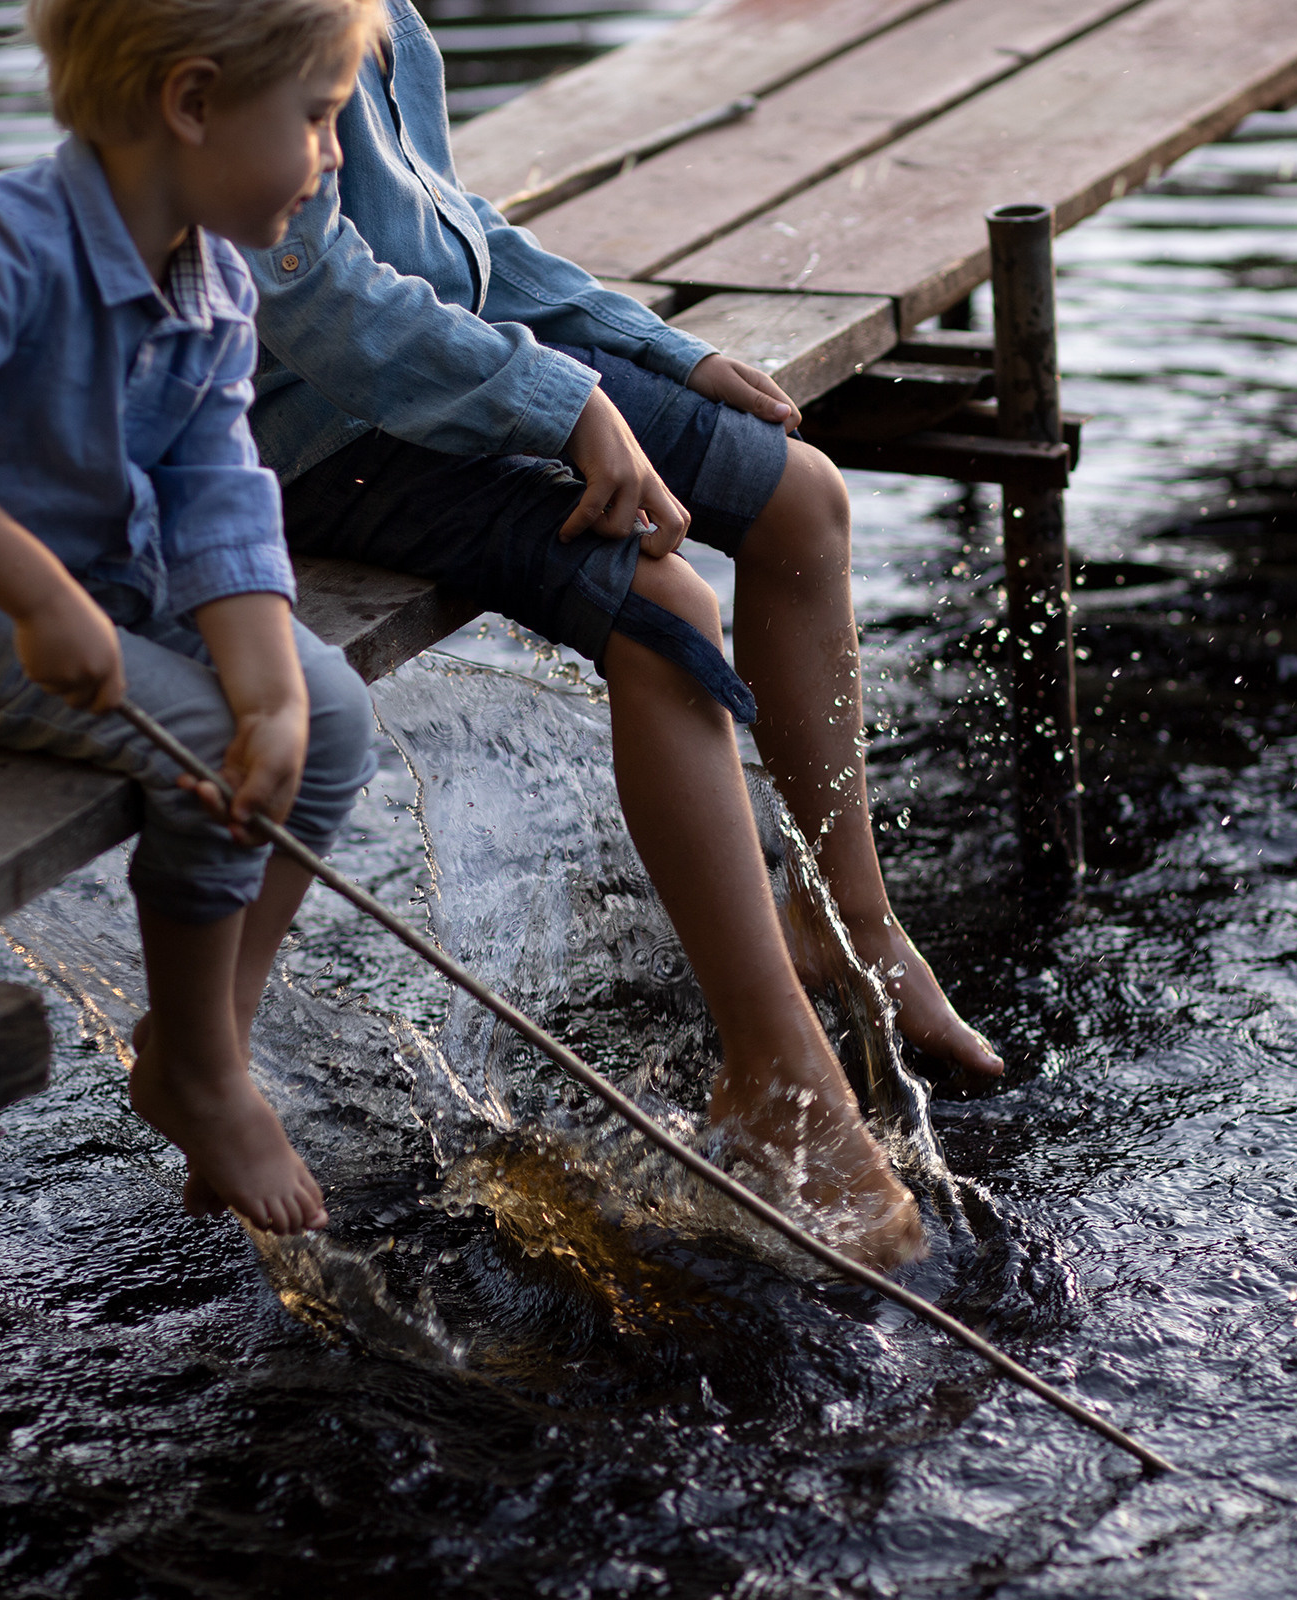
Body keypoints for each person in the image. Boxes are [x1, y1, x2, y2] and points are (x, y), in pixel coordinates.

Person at [245, 0, 1005, 1271]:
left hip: (459, 368)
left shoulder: (392, 21)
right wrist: (559, 402)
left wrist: (645, 349)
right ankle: (774, 1073)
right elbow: (317, 302)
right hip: (325, 438)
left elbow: (460, 233)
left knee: (803, 498)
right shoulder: (260, 27)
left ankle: (849, 919)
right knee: (665, 603)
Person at [0, 0, 390, 1237]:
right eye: (318, 118)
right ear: (191, 105)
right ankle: (205, 1071)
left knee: (323, 728)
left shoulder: (212, 271)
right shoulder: (1, 245)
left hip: (99, 588)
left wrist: (273, 691)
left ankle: (204, 1043)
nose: (333, 153)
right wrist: (39, 595)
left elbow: (213, 486)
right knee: (206, 765)